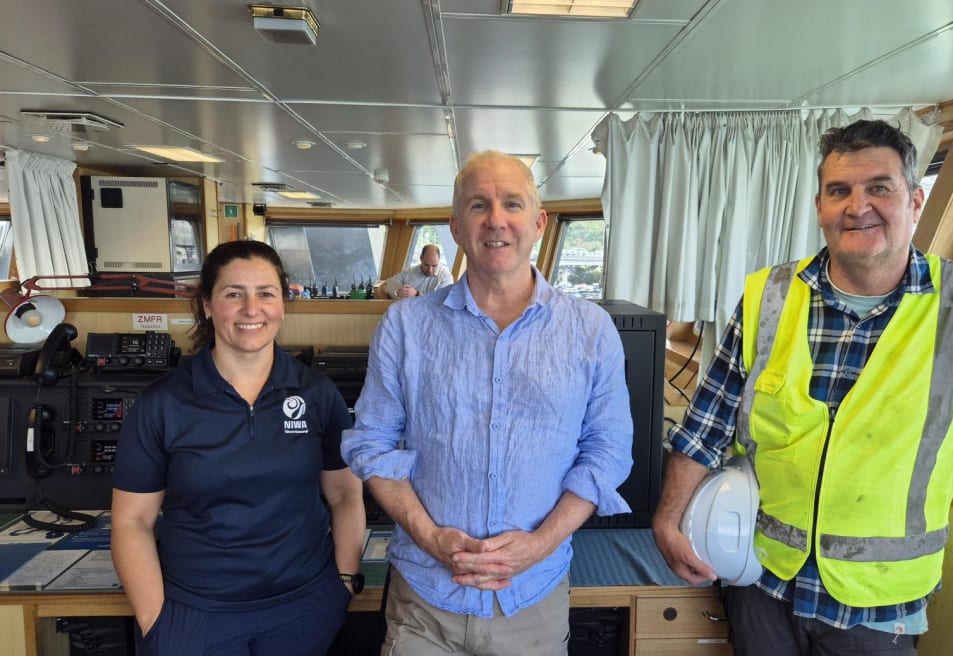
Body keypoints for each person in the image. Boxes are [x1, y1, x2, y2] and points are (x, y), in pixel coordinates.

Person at [652, 119, 953, 656]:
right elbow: (706, 425)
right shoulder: (768, 296)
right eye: (839, 190)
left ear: (915, 199)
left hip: (878, 611)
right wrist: (668, 517)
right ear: (820, 206)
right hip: (763, 581)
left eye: (879, 188)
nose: (857, 206)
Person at [342, 150, 634, 655]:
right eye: (479, 206)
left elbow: (607, 452)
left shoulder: (590, 331)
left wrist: (539, 545)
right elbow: (371, 443)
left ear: (539, 223)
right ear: (456, 227)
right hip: (424, 603)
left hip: (532, 602)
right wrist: (431, 538)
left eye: (512, 204)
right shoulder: (406, 326)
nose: (496, 219)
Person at [111, 240, 367, 656]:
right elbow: (131, 523)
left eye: (266, 293)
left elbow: (344, 495)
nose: (252, 309)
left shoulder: (316, 393)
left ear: (283, 303)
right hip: (194, 615)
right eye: (234, 294)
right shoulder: (163, 403)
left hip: (303, 611)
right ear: (208, 305)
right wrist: (155, 620)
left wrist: (343, 581)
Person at [380, 243, 453, 298]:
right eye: (426, 265)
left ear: (439, 260)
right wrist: (396, 292)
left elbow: (441, 301)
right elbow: (387, 286)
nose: (430, 270)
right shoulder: (409, 273)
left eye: (434, 265)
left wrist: (416, 294)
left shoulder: (445, 277)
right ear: (421, 259)